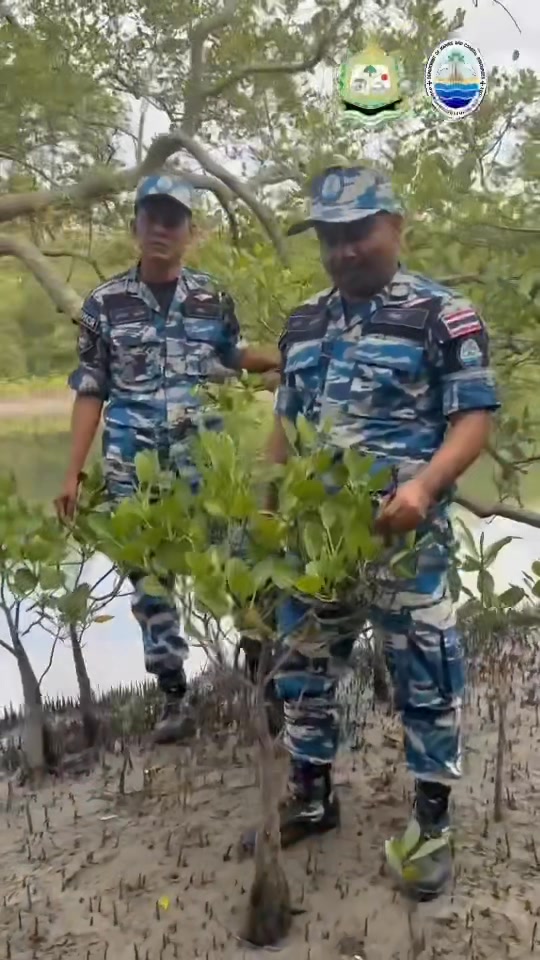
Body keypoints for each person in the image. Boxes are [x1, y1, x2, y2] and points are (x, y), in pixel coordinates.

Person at [247, 164, 499, 900]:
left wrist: (424, 484)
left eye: (358, 231)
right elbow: (285, 426)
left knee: (426, 673)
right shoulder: (303, 323)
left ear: (396, 227)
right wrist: (266, 512)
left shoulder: (442, 316)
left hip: (406, 538)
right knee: (304, 668)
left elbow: (472, 417)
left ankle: (431, 823)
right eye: (330, 236)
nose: (344, 249)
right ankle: (314, 794)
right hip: (317, 544)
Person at [56, 172, 280, 743]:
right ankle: (174, 697)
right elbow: (90, 389)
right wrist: (72, 471)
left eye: (173, 220)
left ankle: (263, 677)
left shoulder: (213, 298)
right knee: (150, 582)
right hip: (133, 468)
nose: (161, 229)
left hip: (204, 462)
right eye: (151, 218)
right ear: (135, 226)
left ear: (190, 231)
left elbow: (232, 357)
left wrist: (288, 357)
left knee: (239, 564)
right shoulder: (103, 305)